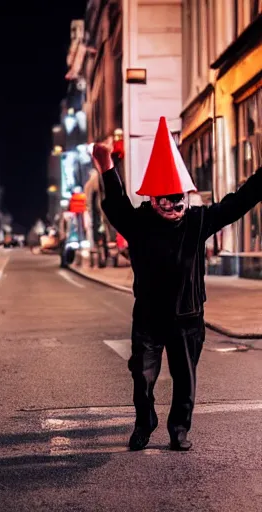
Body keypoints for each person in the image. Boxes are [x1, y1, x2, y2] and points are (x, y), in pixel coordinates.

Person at [92, 116, 262, 451]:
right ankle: (145, 422)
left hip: (188, 318)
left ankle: (179, 429)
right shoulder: (138, 222)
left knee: (185, 378)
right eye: (167, 199)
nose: (175, 205)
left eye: (180, 197)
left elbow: (238, 203)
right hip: (149, 319)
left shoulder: (198, 221)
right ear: (153, 199)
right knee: (142, 374)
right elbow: (115, 203)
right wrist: (106, 165)